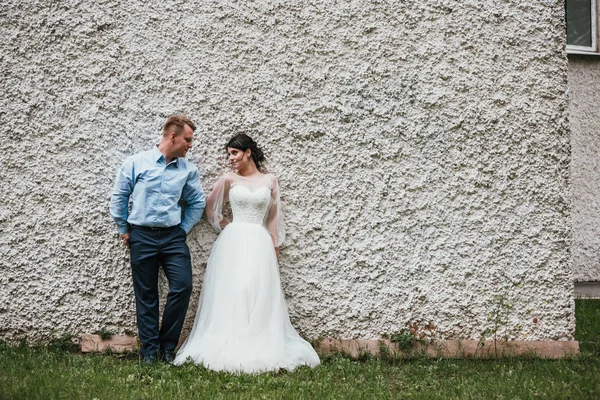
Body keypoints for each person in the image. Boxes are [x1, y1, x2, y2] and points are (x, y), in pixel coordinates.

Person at [173, 134, 320, 373]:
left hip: (260, 241)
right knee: (234, 287)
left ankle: (257, 338)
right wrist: (227, 225)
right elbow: (210, 208)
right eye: (229, 154)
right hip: (233, 240)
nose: (230, 159)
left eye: (234, 153)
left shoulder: (270, 180)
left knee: (256, 287)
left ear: (248, 152)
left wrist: (274, 248)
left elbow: (273, 218)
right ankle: (231, 336)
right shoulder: (229, 179)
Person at [109, 115, 206, 364]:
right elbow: (119, 196)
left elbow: (197, 202)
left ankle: (167, 347)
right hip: (141, 235)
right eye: (188, 139)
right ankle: (149, 352)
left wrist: (182, 229)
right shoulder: (136, 163)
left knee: (182, 286)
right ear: (172, 136)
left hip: (173, 238)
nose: (190, 145)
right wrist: (124, 229)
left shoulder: (187, 170)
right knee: (146, 295)